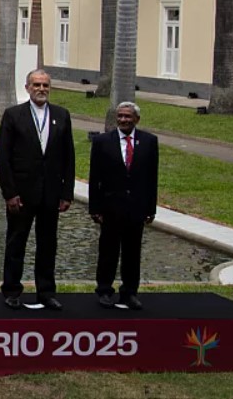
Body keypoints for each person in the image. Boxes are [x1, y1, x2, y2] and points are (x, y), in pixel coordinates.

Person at [0, 69, 75, 311]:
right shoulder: (13, 115)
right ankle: (11, 291)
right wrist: (10, 193)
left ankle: (46, 292)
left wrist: (67, 193)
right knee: (16, 243)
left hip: (51, 193)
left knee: (48, 245)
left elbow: (69, 157)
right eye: (36, 85)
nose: (41, 89)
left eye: (45, 85)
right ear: (27, 87)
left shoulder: (61, 115)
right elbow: (3, 157)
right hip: (21, 193)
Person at [89, 101, 159, 311]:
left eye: (127, 116)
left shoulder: (149, 141)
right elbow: (94, 177)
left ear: (136, 119)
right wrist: (95, 208)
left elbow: (152, 177)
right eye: (120, 116)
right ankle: (104, 290)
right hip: (110, 207)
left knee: (132, 253)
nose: (123, 120)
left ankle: (129, 292)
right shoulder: (102, 141)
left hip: (136, 207)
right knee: (108, 251)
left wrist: (151, 208)